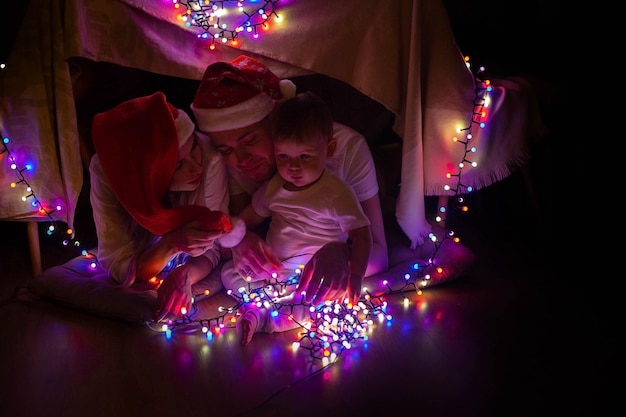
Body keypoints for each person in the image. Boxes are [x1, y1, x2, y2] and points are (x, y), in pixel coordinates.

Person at [190, 55, 389, 307]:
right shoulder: (233, 166)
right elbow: (236, 232)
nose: (241, 160)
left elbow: (379, 250)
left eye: (250, 140)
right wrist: (240, 238)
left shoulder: (348, 150)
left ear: (278, 123)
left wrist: (343, 253)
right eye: (227, 150)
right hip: (281, 268)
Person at [220, 91, 373, 345]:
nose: (293, 166)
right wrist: (235, 236)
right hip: (272, 270)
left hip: (311, 275)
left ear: (329, 149)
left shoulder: (336, 193)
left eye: (304, 156)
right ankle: (261, 306)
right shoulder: (274, 187)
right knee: (229, 273)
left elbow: (362, 234)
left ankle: (264, 318)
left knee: (314, 300)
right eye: (284, 157)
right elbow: (247, 219)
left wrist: (355, 276)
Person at [89, 91, 244, 322]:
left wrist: (186, 274)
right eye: (178, 165)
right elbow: (118, 262)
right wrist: (172, 244)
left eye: (193, 149)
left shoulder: (209, 159)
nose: (195, 169)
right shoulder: (108, 173)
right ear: (148, 175)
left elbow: (211, 249)